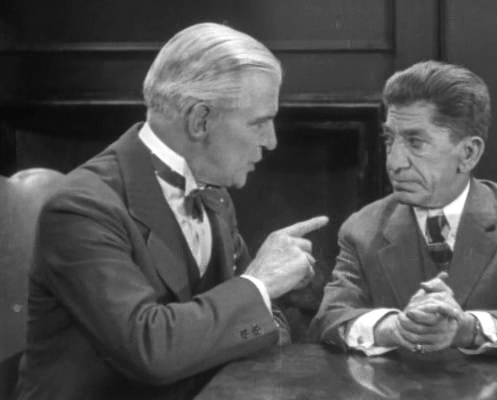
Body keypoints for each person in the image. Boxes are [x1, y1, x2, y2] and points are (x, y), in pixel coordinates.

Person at [14, 23, 328, 400]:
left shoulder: (214, 195)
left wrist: (272, 294)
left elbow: (248, 320)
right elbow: (150, 349)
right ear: (200, 120)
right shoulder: (81, 208)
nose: (271, 141)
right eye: (259, 123)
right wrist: (260, 283)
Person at [310, 60, 497, 358]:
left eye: (415, 142)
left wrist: (467, 329)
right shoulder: (361, 229)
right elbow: (329, 319)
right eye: (389, 139)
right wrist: (393, 328)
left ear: (468, 153)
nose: (394, 162)